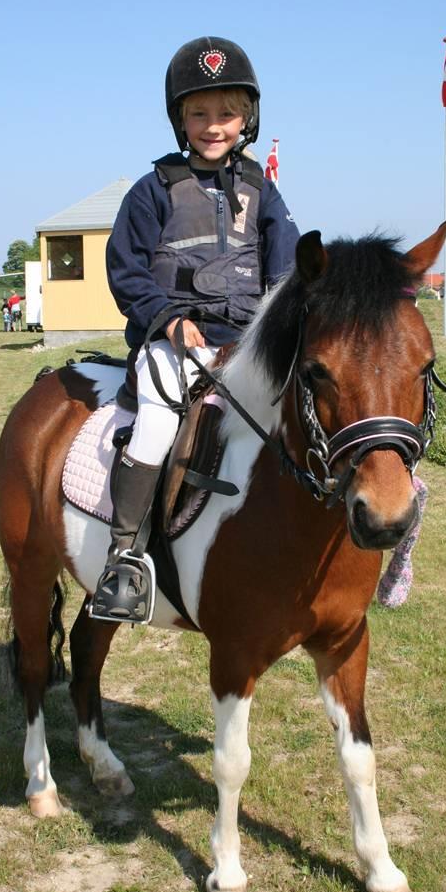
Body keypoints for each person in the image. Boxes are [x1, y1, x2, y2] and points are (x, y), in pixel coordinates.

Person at [89, 36, 300, 624]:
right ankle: (124, 556)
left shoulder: (263, 191)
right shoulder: (152, 189)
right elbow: (126, 270)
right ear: (179, 117)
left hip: (246, 342)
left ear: (247, 119)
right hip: (173, 341)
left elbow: (284, 270)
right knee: (157, 418)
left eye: (227, 113)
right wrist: (166, 319)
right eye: (200, 112)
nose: (214, 125)